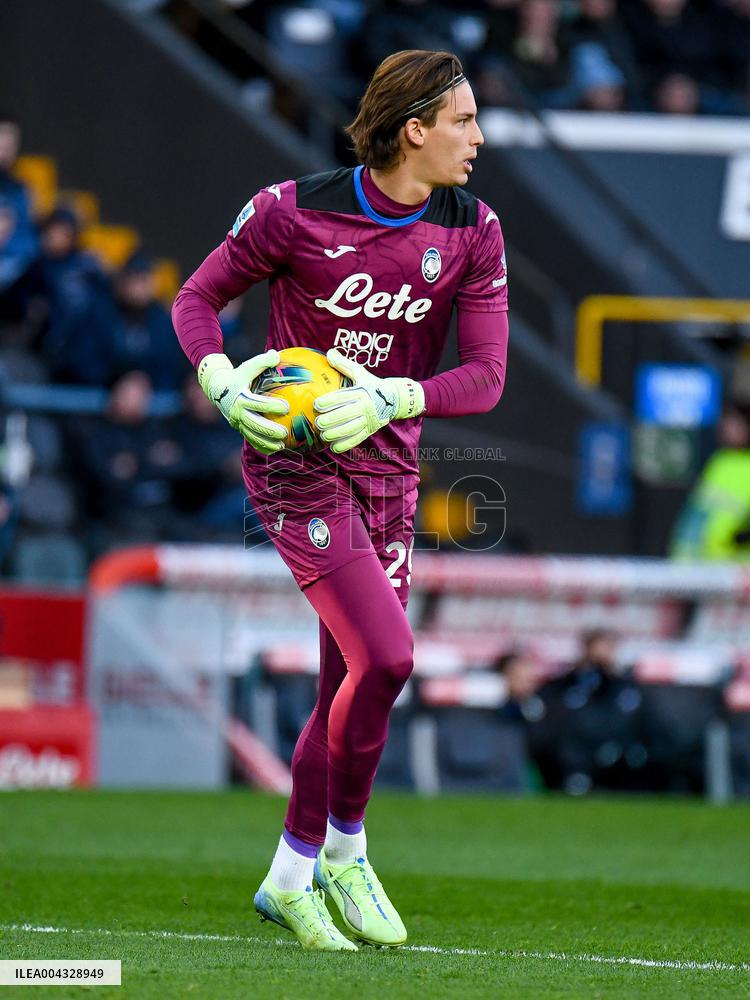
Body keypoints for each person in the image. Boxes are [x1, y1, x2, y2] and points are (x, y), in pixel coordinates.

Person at [172, 49, 508, 952]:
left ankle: (288, 876)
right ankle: (346, 852)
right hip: (296, 466)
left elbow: (486, 376)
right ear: (415, 130)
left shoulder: (473, 229)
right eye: (465, 122)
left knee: (349, 681)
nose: (479, 138)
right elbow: (198, 298)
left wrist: (402, 395)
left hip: (390, 472)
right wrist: (221, 380)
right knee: (389, 661)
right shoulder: (292, 209)